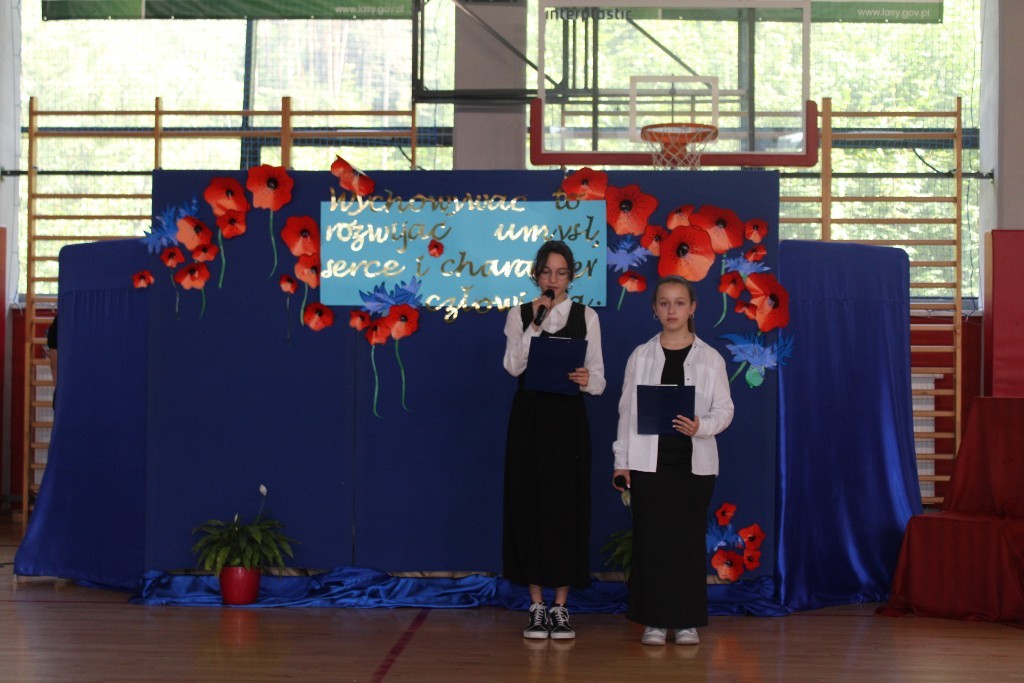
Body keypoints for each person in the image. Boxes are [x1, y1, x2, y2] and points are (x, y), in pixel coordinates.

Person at [612, 275, 734, 646]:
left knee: (686, 544)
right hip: (649, 464)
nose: (672, 310)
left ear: (692, 308)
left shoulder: (710, 358)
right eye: (664, 303)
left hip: (694, 466)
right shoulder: (641, 356)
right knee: (652, 543)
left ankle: (685, 622)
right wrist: (622, 461)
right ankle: (653, 620)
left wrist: (701, 426)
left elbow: (725, 409)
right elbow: (626, 412)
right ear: (655, 309)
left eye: (680, 303)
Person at [502, 239, 606, 640]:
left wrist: (587, 379)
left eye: (561, 273)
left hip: (567, 422)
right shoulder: (520, 314)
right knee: (529, 503)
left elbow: (599, 379)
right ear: (536, 275)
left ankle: (561, 606)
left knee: (565, 505)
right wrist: (535, 323)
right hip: (529, 420)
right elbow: (512, 366)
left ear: (571, 277)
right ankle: (536, 605)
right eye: (547, 272)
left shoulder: (587, 316)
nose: (554, 279)